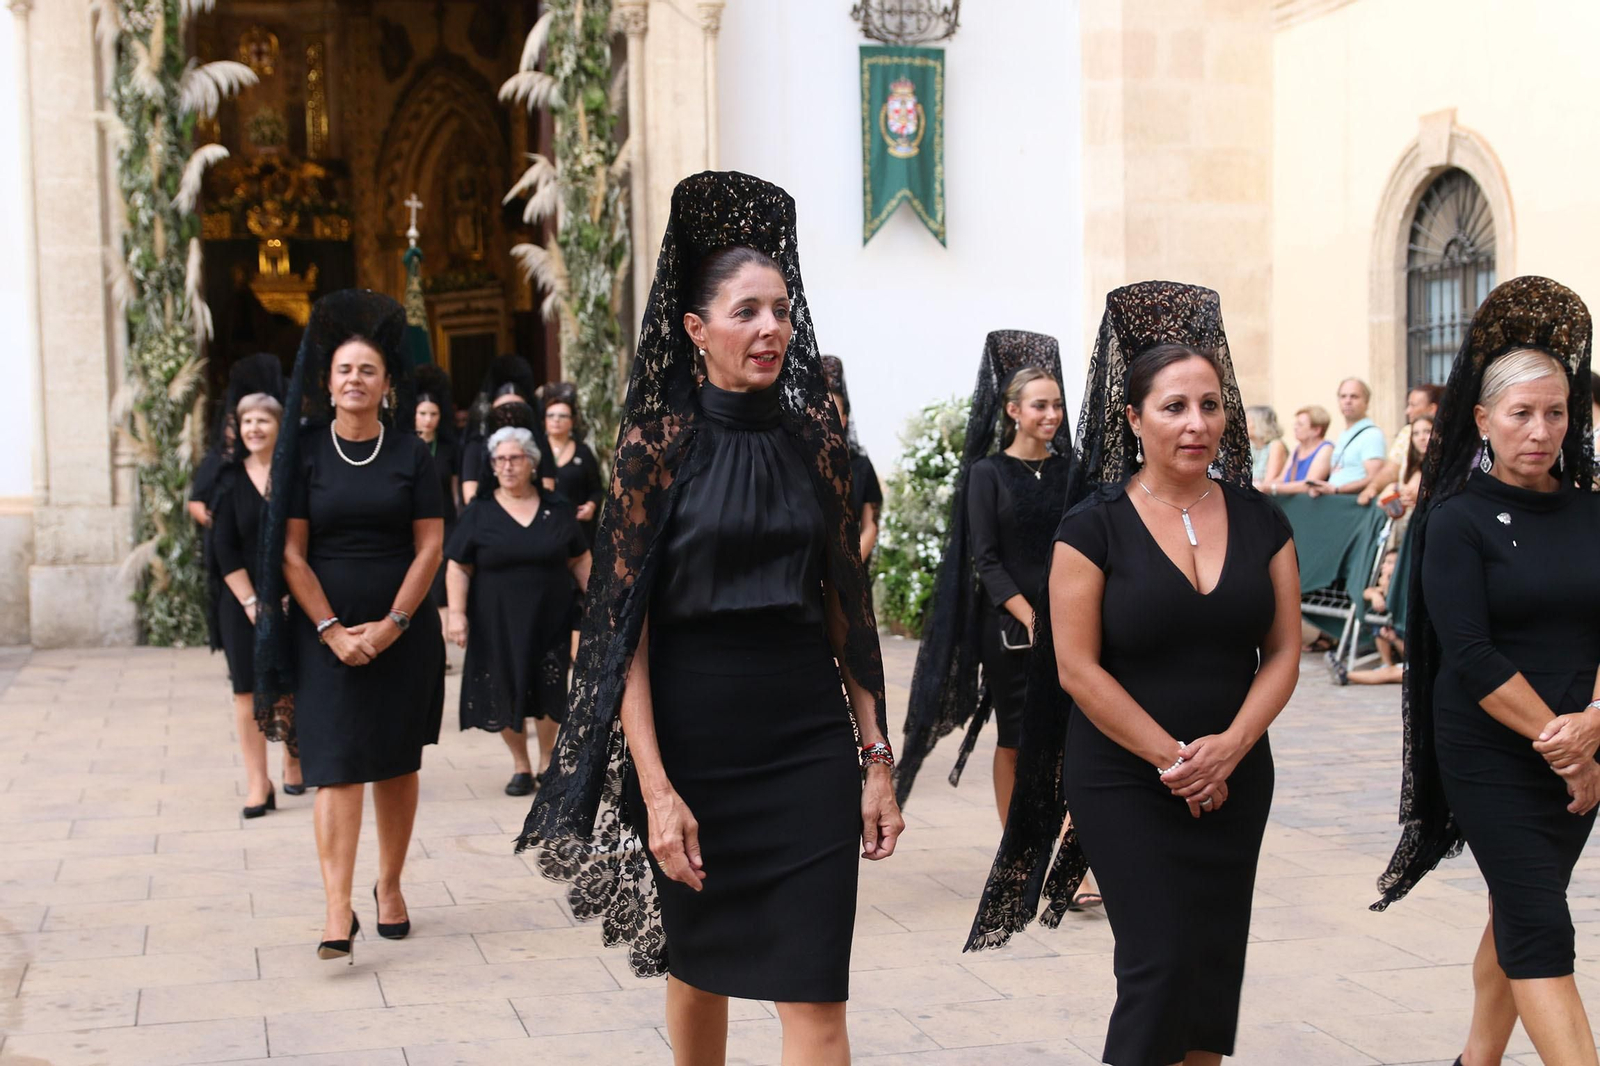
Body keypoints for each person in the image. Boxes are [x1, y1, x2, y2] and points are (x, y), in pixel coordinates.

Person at [515, 172, 902, 1066]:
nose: (770, 328)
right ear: (695, 330)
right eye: (745, 311)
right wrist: (654, 788)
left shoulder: (824, 449)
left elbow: (850, 611)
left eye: (780, 309)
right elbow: (621, 639)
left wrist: (875, 757)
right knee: (702, 964)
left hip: (807, 740)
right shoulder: (654, 453)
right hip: (695, 744)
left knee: (815, 994)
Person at [968, 282, 1302, 1066]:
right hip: (1124, 777)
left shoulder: (1262, 519)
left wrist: (1230, 747)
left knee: (1212, 973)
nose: (1197, 424)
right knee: (1158, 968)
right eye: (1175, 407)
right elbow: (1077, 668)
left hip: (1238, 772)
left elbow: (1285, 650)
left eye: (1211, 405)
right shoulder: (1093, 526)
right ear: (1132, 418)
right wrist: (1176, 759)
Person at [1375, 276, 1600, 1066]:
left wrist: (1595, 731)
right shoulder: (1456, 519)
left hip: (1584, 747)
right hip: (1492, 747)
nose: (1541, 430)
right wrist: (1564, 744)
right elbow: (1469, 655)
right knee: (1540, 921)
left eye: (1556, 412)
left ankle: (1476, 1059)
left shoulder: (1592, 510)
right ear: (1482, 420)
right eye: (1521, 413)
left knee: (1518, 907)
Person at [254, 290, 446, 963]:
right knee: (334, 767)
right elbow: (290, 552)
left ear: (386, 383)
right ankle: (338, 908)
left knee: (395, 765)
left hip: (402, 634)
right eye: (344, 370)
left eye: (368, 370)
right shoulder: (305, 452)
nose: (355, 380)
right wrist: (334, 629)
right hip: (324, 638)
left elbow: (429, 547)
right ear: (327, 383)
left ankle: (388, 887)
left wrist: (392, 624)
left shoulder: (411, 456)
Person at [896, 335, 1071, 824]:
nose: (1051, 415)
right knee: (1015, 739)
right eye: (1040, 405)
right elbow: (986, 561)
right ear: (1014, 410)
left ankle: (1070, 865)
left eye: (1057, 405)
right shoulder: (987, 474)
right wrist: (1034, 621)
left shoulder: (1071, 472)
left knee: (1070, 743)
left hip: (1073, 621)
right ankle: (1015, 855)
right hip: (1011, 629)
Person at [445, 426, 591, 797]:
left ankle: (546, 760)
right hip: (496, 620)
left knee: (549, 686)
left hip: (549, 617)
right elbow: (458, 566)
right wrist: (457, 614)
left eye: (515, 458)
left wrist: (599, 605)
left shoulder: (556, 508)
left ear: (532, 462)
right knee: (504, 689)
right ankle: (520, 765)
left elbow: (579, 558)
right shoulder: (479, 511)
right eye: (499, 460)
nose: (507, 467)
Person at [207, 354, 303, 815]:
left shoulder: (295, 479)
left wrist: (287, 596)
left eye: (263, 420)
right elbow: (222, 549)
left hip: (293, 596)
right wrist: (251, 602)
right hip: (241, 601)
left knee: (290, 683)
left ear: (279, 425)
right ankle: (256, 782)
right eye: (247, 421)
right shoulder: (227, 480)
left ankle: (293, 760)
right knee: (246, 691)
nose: (254, 428)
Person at [460, 356, 555, 505]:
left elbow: (548, 487)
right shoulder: (476, 446)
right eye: (504, 407)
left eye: (517, 406)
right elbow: (470, 496)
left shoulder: (540, 444)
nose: (510, 413)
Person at [820, 356, 884, 563]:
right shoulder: (792, 462)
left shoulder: (861, 465)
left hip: (852, 571)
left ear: (845, 419)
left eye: (833, 413)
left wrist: (848, 570)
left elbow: (870, 527)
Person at [413, 364, 459, 641]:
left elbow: (454, 489)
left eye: (433, 414)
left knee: (440, 583)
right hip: (413, 522)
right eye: (423, 414)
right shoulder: (407, 446)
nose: (428, 419)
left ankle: (440, 646)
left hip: (446, 520)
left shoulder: (448, 449)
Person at [541, 383, 604, 545]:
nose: (556, 420)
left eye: (562, 416)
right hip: (543, 525)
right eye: (551, 415)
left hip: (577, 528)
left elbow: (596, 489)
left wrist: (590, 506)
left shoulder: (583, 452)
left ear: (572, 421)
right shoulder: (535, 450)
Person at [1362, 383, 1442, 506]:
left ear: (1432, 409)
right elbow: (1392, 470)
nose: (1407, 411)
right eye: (1416, 434)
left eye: (1413, 405)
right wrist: (1374, 487)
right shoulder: (1406, 432)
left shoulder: (1447, 437)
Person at [1333, 549, 1403, 686]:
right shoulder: (1384, 587)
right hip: (1398, 650)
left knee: (1392, 673)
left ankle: (1345, 674)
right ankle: (1384, 662)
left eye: (1389, 563)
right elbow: (1368, 592)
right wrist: (1376, 595)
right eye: (1384, 562)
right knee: (1380, 624)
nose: (1383, 566)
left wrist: (1394, 639)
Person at [1307, 378, 1386, 498]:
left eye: (1354, 396)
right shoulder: (1344, 434)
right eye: (1343, 396)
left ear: (1367, 402)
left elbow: (1375, 477)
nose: (1348, 401)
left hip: (1355, 505)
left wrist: (1339, 490)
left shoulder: (1372, 435)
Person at [1264, 406, 1332, 497]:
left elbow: (1309, 484)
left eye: (1300, 424)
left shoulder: (1326, 449)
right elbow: (1282, 479)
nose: (1295, 427)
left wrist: (1271, 488)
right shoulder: (1297, 449)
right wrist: (1259, 486)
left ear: (1316, 430)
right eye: (1296, 424)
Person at [1247, 404, 1289, 487]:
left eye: (1247, 421)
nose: (1242, 425)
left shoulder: (1276, 445)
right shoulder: (1251, 446)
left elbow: (1268, 481)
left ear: (1260, 424)